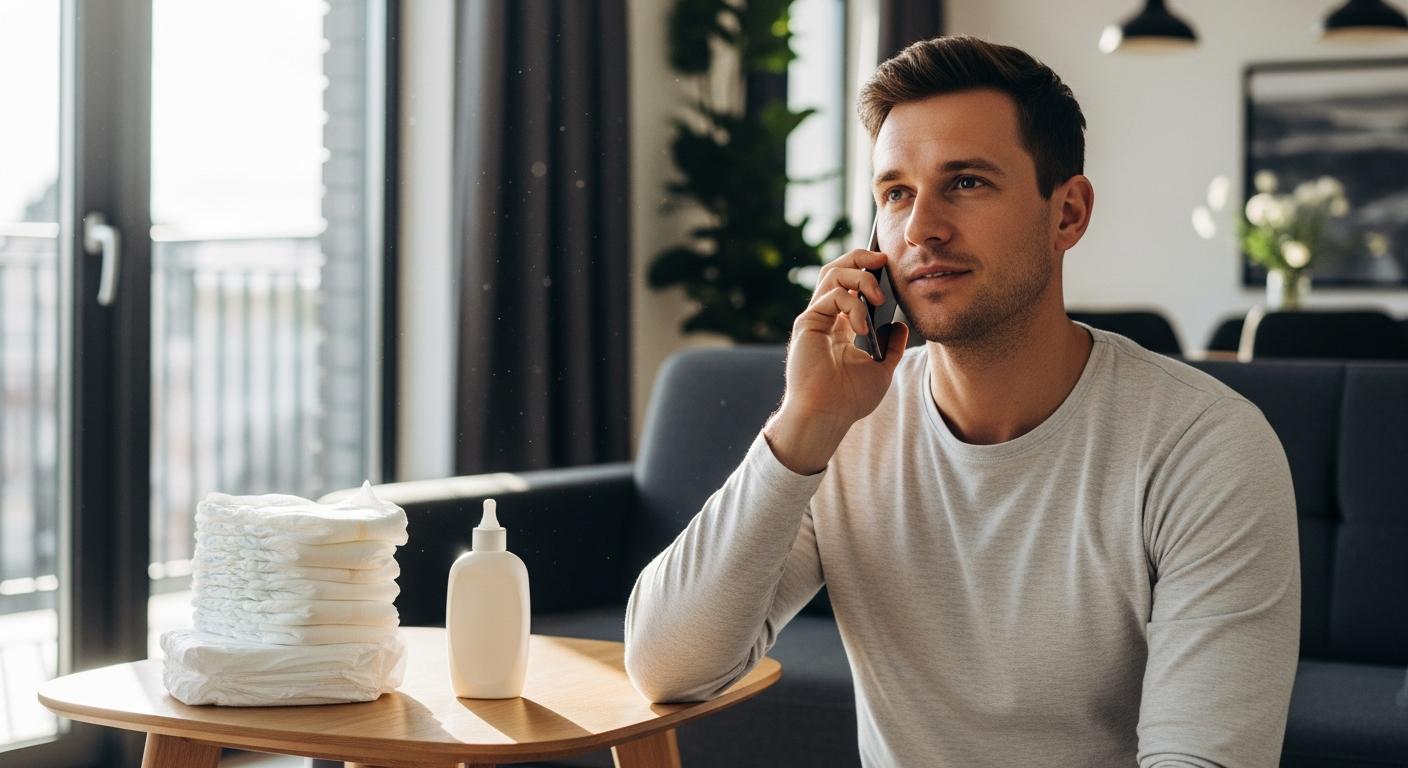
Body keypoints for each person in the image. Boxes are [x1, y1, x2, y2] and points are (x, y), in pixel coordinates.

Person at [623, 34, 1300, 767]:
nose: (921, 229)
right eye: (896, 193)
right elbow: (668, 669)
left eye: (967, 182)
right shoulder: (847, 427)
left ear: (1067, 213)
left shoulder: (1207, 446)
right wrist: (806, 424)